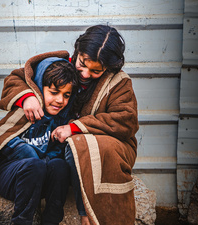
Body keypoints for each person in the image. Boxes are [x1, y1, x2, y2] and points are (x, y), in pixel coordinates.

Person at [20, 25, 139, 225]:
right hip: (54, 148)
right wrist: (27, 96)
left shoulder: (119, 83)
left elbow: (125, 120)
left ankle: (85, 213)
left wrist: (75, 127)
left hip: (107, 148)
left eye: (96, 71)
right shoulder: (61, 66)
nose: (84, 74)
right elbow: (17, 78)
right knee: (65, 152)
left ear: (109, 67)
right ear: (78, 51)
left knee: (76, 146)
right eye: (82, 63)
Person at [0, 52, 79, 225]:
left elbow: (58, 154)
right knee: (34, 166)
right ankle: (21, 221)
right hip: (13, 177)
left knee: (60, 166)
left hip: (41, 180)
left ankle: (51, 220)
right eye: (54, 92)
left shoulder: (62, 120)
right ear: (40, 86)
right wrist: (38, 159)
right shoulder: (26, 111)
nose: (59, 100)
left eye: (66, 95)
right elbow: (6, 140)